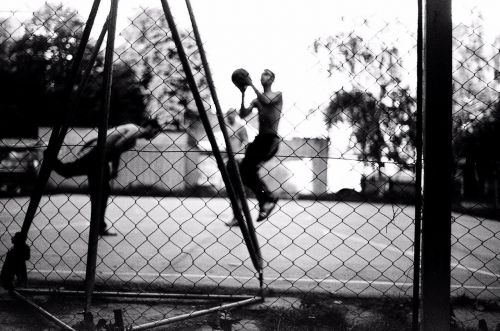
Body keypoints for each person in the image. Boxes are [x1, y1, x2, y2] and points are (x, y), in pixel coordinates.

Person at [52, 119, 162, 236]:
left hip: (100, 158)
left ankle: (99, 226)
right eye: (155, 132)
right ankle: (49, 156)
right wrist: (115, 168)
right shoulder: (135, 130)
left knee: (101, 192)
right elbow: (118, 145)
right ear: (149, 127)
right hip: (96, 153)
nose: (154, 136)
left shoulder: (133, 137)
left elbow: (113, 145)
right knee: (69, 172)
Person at [227, 69, 283, 226]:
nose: (262, 76)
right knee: (245, 172)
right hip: (260, 139)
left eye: (266, 74)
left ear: (272, 79)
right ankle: (266, 200)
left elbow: (267, 102)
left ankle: (267, 199)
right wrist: (243, 93)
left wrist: (250, 84)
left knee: (247, 170)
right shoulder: (257, 99)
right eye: (262, 74)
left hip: (270, 140)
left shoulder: (277, 95)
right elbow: (243, 114)